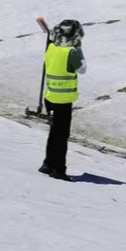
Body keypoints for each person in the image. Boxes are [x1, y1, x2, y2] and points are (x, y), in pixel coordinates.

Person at [38, 19, 86, 182]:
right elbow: (82, 69)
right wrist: (78, 50)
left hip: (49, 95)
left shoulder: (51, 47)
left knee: (53, 132)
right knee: (61, 135)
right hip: (63, 100)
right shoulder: (71, 52)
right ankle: (59, 169)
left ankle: (48, 164)